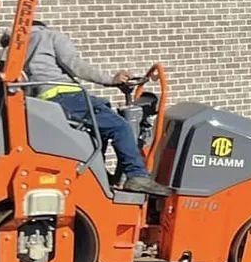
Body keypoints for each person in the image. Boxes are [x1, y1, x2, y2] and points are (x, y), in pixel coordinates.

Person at [22, 22, 166, 195]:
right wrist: (110, 80)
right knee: (121, 127)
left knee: (103, 113)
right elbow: (75, 65)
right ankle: (137, 175)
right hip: (67, 95)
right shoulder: (49, 36)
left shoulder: (17, 46)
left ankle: (101, 175)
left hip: (43, 101)